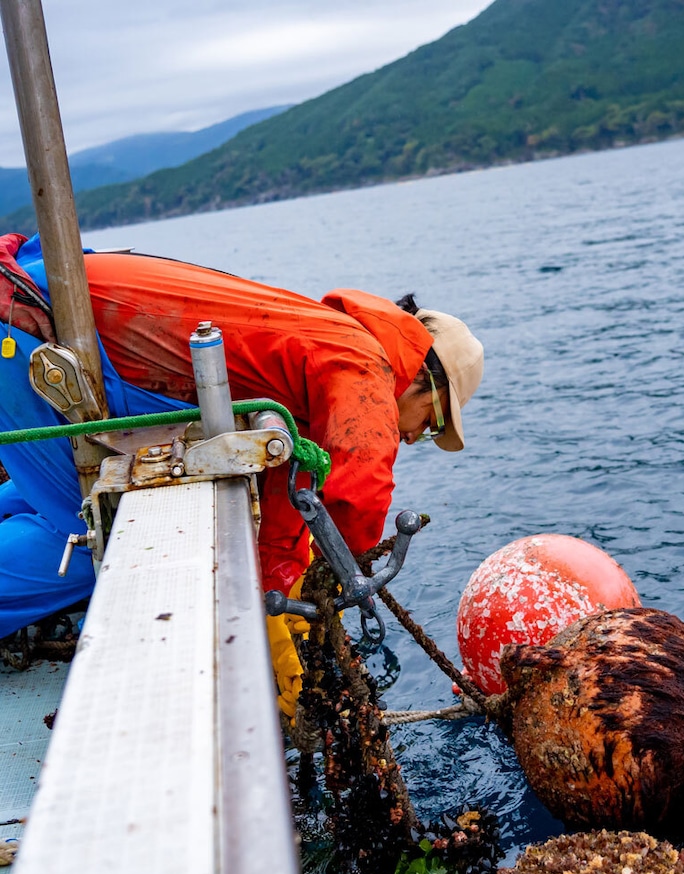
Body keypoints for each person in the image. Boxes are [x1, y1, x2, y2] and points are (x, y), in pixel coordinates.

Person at [0, 232, 484, 718]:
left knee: (52, 503)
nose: (411, 435)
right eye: (429, 424)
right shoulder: (363, 365)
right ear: (426, 383)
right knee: (100, 546)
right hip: (35, 330)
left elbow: (283, 499)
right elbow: (360, 497)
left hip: (41, 313)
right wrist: (337, 579)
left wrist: (277, 594)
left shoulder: (323, 343)